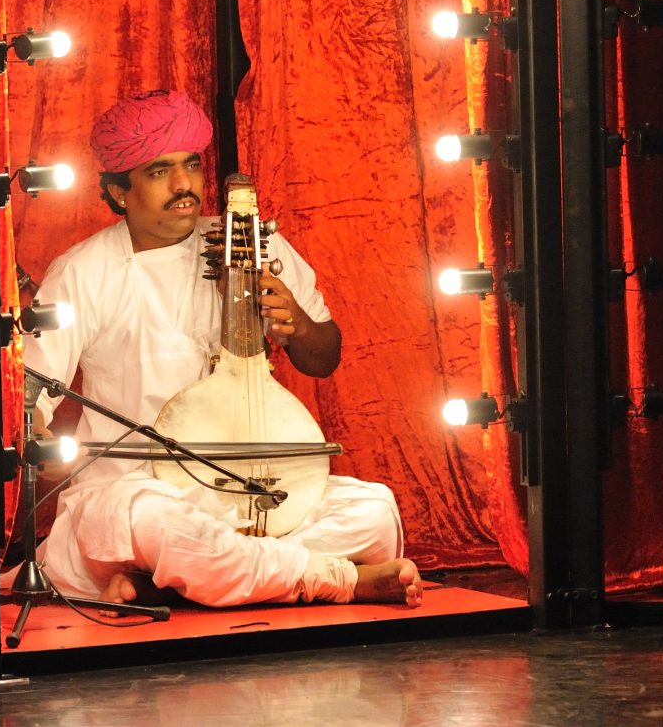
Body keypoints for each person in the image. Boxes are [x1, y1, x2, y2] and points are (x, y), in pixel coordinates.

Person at [22, 88, 421, 611]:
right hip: (137, 487)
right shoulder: (84, 271)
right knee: (162, 526)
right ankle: (335, 579)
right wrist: (38, 440)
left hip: (255, 488)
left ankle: (175, 584)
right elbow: (33, 390)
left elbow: (325, 357)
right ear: (119, 192)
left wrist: (296, 323)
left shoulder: (250, 243)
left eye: (190, 164)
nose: (184, 184)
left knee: (375, 511)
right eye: (159, 171)